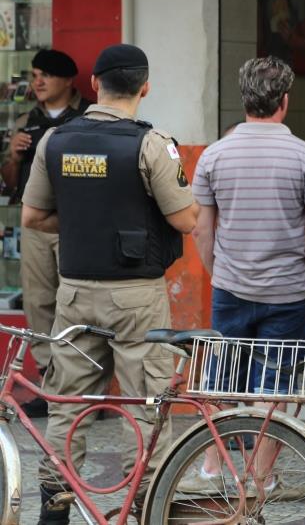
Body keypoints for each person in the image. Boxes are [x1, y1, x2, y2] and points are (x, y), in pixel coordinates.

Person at [20, 43, 199, 524]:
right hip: (136, 298)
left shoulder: (53, 141)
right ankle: (144, 507)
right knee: (146, 403)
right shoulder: (151, 143)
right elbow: (184, 220)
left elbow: (33, 215)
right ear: (145, 87)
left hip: (74, 293)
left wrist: (81, 225)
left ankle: (54, 511)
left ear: (94, 84)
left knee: (67, 405)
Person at [189, 55, 305, 501]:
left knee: (222, 378)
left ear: (245, 98)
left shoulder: (214, 154)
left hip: (230, 287)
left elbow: (201, 227)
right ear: (285, 101)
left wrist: (219, 272)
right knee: (280, 386)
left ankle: (213, 468)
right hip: (287, 291)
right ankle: (259, 478)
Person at [0, 49, 89, 417]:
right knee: (39, 303)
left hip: (78, 222)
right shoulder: (26, 120)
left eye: (45, 75)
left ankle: (83, 392)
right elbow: (9, 182)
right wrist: (15, 156)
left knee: (80, 304)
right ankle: (50, 388)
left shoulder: (89, 116)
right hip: (34, 225)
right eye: (34, 74)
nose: (37, 82)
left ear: (68, 80)